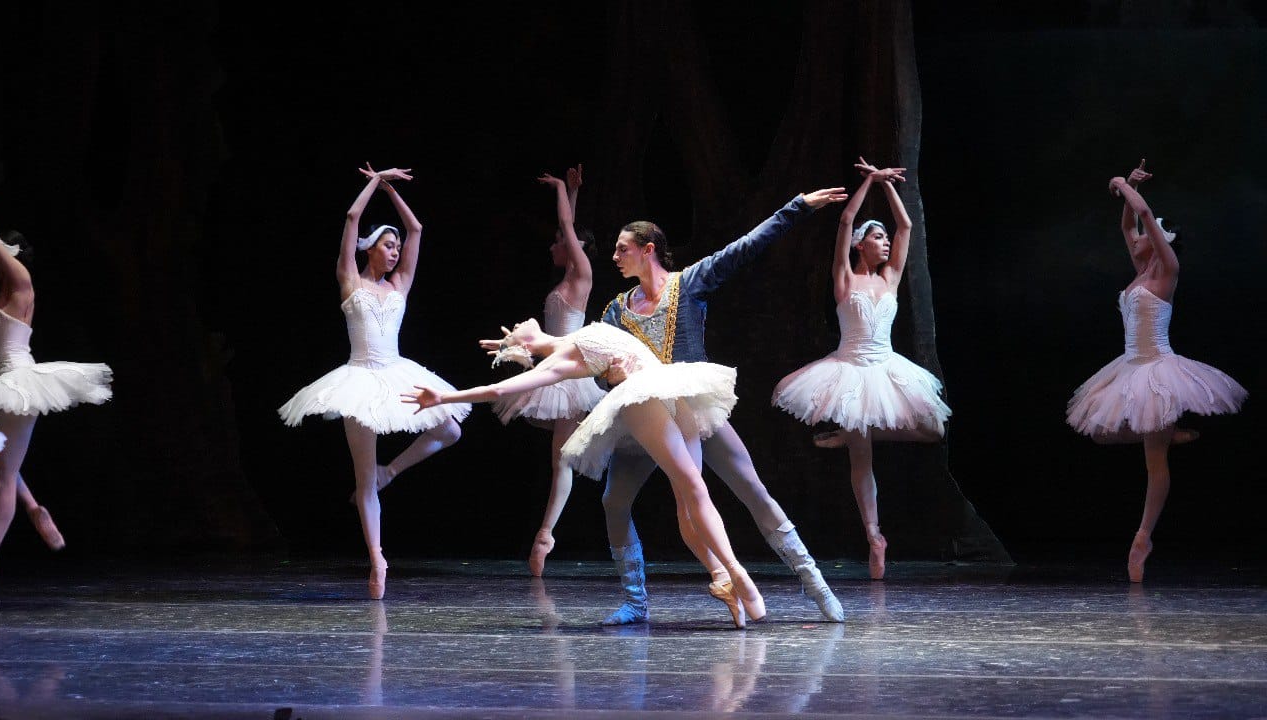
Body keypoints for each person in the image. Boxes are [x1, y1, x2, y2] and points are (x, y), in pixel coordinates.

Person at [403, 318, 765, 628]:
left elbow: (530, 342)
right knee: (692, 486)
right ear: (527, 343)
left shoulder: (568, 337)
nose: (517, 324)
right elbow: (498, 389)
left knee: (689, 501)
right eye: (516, 330)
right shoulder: (559, 360)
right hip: (640, 400)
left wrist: (508, 345)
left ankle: (722, 578)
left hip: (666, 385)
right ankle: (737, 573)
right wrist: (444, 398)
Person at [600, 185, 850, 625]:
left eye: (623, 248)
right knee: (613, 501)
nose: (615, 256)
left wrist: (797, 207)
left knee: (751, 488)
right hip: (646, 419)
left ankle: (814, 582)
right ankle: (636, 601)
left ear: (648, 249)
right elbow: (594, 363)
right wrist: (610, 377)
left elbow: (744, 248)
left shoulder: (689, 283)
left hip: (693, 411)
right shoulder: (617, 312)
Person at [278, 166, 470, 599]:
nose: (396, 252)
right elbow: (351, 218)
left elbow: (416, 229)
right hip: (359, 379)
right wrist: (374, 182)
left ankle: (392, 470)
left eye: (397, 247)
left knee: (451, 429)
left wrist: (391, 190)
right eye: (388, 245)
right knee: (363, 477)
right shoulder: (350, 279)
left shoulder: (400, 284)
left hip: (398, 372)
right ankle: (377, 559)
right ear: (370, 248)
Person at [1066, 161, 1247, 582]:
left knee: (1154, 461)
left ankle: (1143, 537)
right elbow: (1128, 224)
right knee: (1100, 433)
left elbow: (1143, 214)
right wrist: (1129, 187)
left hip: (1158, 368)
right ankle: (1170, 432)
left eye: (1148, 235)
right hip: (1129, 366)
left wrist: (1119, 182)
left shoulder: (1168, 271)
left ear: (1162, 242)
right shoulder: (1140, 273)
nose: (1139, 238)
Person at [771, 158, 951, 581]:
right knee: (861, 457)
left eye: (885, 237)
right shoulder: (845, 280)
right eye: (877, 236)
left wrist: (887, 185)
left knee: (934, 429)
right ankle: (874, 536)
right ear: (860, 245)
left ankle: (850, 433)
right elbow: (845, 220)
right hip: (849, 366)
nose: (885, 242)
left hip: (886, 366)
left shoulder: (890, 279)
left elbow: (906, 226)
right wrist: (869, 181)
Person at [0, 197, 112, 586]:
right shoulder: (8, 287)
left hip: (20, 382)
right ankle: (33, 508)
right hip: (8, 382)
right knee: (3, 459)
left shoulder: (20, 280)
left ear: (7, 254)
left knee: (4, 475)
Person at [490, 166, 605, 576]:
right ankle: (544, 535)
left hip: (571, 376)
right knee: (559, 458)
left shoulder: (583, 275)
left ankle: (545, 536)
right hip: (552, 369)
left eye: (559, 242)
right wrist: (572, 192)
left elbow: (568, 228)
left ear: (576, 247)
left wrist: (560, 189)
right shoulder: (566, 279)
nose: (553, 246)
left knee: (562, 461)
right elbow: (569, 228)